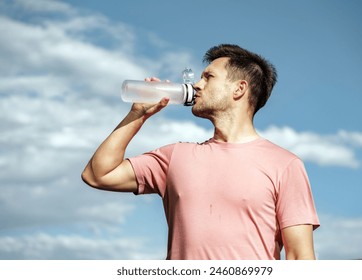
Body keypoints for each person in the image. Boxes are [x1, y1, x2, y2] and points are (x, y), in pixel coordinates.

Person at [82, 44, 320, 260]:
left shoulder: (284, 165)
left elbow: (300, 257)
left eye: (209, 77)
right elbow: (98, 174)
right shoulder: (175, 157)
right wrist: (138, 115)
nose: (197, 85)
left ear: (239, 89)